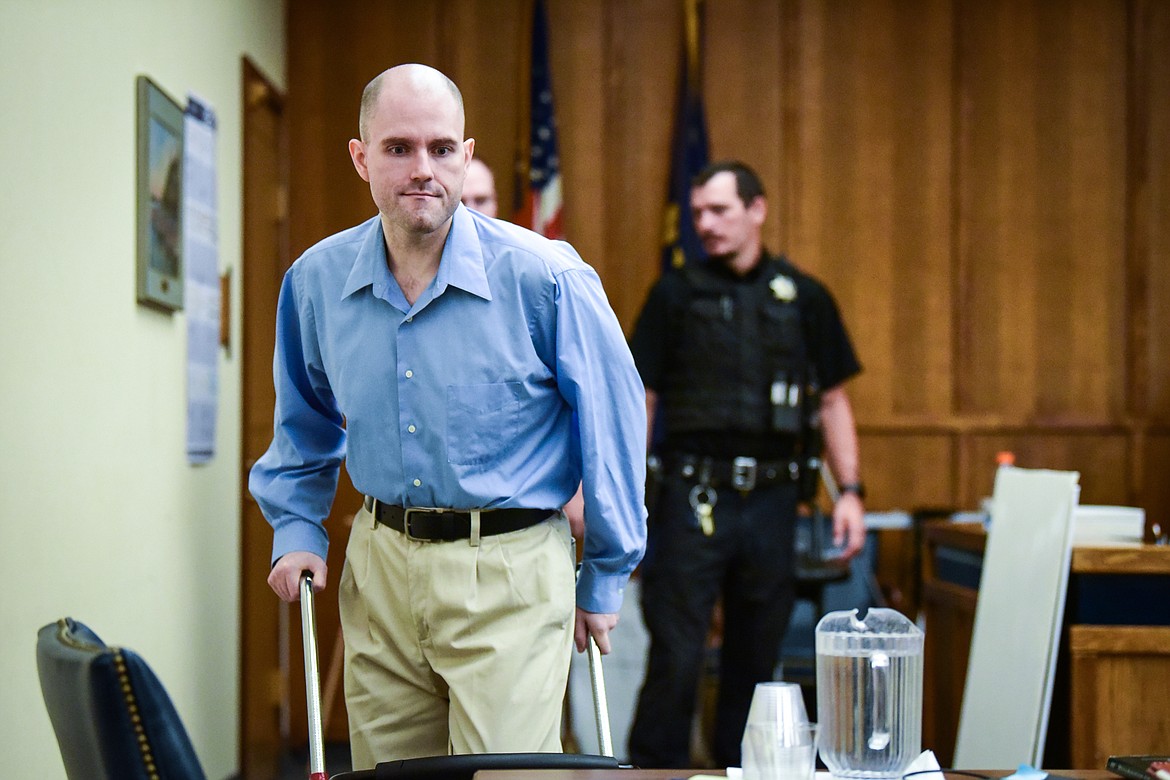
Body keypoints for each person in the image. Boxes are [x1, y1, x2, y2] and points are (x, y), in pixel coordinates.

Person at [248, 63, 647, 770]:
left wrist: (606, 573)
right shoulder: (315, 281)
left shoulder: (545, 277)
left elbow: (612, 426)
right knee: (388, 774)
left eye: (441, 148)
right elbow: (305, 419)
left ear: (466, 155)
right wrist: (296, 523)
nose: (422, 168)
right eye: (399, 148)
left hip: (511, 573)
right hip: (378, 569)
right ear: (361, 156)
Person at [626, 160, 867, 769]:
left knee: (755, 663)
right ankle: (653, 775)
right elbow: (642, 398)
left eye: (719, 210)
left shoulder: (804, 297)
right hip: (690, 497)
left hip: (772, 502)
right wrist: (625, 490)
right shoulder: (675, 293)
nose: (704, 224)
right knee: (676, 659)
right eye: (698, 211)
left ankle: (745, 773)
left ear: (757, 209)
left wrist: (852, 492)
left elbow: (834, 400)